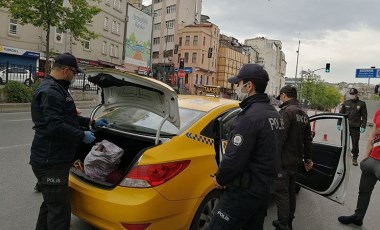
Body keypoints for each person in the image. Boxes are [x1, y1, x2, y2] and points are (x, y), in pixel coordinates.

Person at [30, 53, 108, 230]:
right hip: (50, 161)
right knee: (59, 212)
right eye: (74, 73)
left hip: (51, 159)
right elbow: (54, 126)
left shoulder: (57, 89)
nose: (75, 77)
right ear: (66, 71)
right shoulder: (51, 92)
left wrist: (91, 122)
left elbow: (68, 117)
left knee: (51, 205)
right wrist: (82, 136)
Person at [208, 64, 284, 230]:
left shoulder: (249, 117)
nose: (237, 87)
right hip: (264, 190)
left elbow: (234, 158)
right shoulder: (274, 114)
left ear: (249, 86)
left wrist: (220, 178)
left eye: (239, 83)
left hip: (243, 191)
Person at [272, 85, 313, 230]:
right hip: (295, 160)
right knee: (290, 193)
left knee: (282, 194)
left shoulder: (287, 111)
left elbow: (280, 137)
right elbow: (308, 140)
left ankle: (282, 224)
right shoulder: (303, 113)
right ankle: (289, 221)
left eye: (280, 97)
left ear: (284, 95)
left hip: (283, 160)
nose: (280, 100)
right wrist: (308, 159)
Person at [338, 108, 380, 227]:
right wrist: (366, 158)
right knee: (364, 191)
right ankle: (358, 217)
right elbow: (372, 135)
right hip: (371, 160)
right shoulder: (379, 112)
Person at [337, 88, 367, 166]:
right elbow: (341, 114)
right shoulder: (346, 103)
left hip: (356, 127)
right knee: (343, 142)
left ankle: (354, 157)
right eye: (351, 94)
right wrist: (339, 123)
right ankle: (342, 155)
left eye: (353, 94)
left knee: (355, 143)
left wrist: (363, 126)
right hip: (346, 126)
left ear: (356, 94)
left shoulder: (362, 104)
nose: (352, 95)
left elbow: (364, 116)